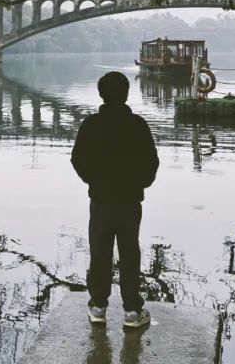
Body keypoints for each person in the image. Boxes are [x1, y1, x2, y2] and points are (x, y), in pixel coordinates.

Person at [71, 71, 160, 329]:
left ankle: (98, 305)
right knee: (130, 252)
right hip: (130, 200)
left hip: (101, 199)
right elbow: (151, 162)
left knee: (100, 250)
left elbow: (78, 159)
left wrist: (93, 181)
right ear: (126, 93)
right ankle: (132, 310)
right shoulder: (138, 125)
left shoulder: (90, 124)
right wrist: (140, 183)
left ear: (101, 94)